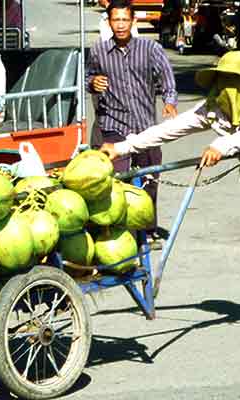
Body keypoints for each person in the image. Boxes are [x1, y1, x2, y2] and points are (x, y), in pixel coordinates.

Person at [100, 51, 240, 349]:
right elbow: (169, 129)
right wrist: (123, 147)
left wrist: (220, 145)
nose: (226, 89)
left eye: (233, 82)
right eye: (222, 81)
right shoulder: (214, 108)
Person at [86, 0, 178, 247]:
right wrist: (93, 83)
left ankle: (147, 230)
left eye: (125, 20)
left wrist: (170, 102)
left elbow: (167, 79)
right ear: (109, 22)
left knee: (149, 179)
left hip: (146, 126)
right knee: (116, 183)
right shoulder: (98, 52)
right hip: (113, 125)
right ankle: (118, 233)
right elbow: (88, 78)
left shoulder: (150, 49)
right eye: (116, 20)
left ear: (133, 21)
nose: (120, 25)